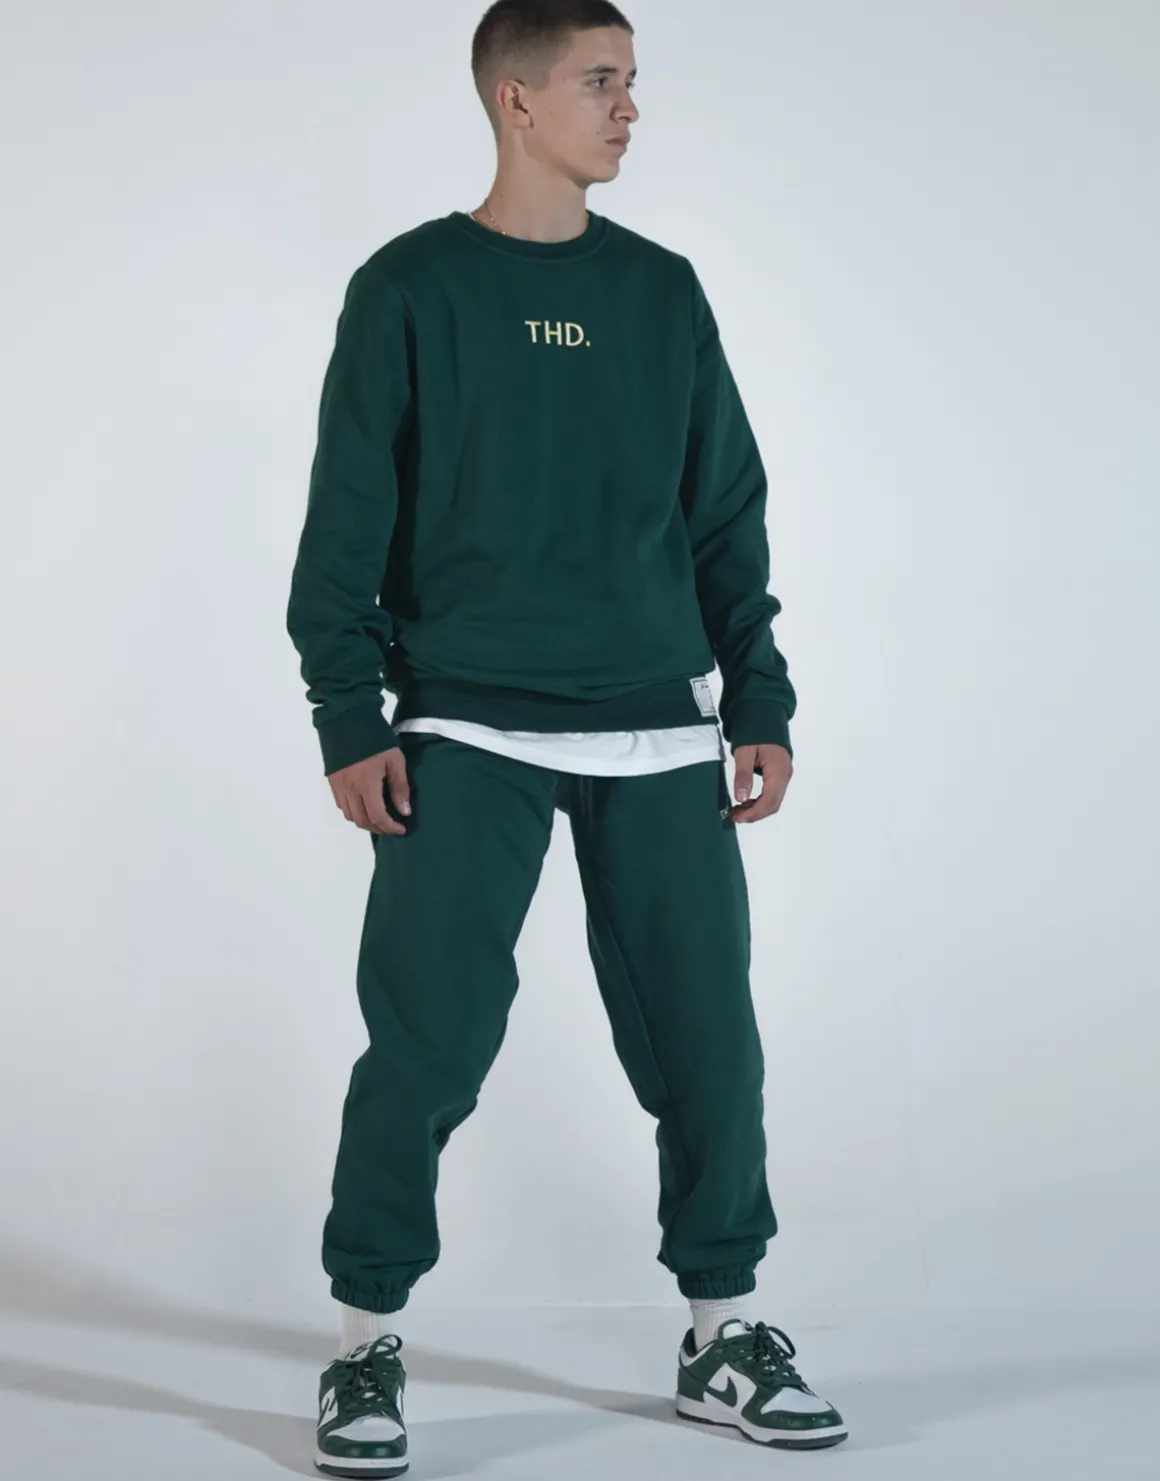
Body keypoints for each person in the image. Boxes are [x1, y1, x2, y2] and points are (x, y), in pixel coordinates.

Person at [286, 1, 848, 1473]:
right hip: (463, 722)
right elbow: (345, 522)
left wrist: (760, 696)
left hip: (657, 727)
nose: (630, 108)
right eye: (602, 81)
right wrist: (349, 714)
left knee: (711, 1049)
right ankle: (364, 1342)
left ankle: (721, 1333)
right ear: (516, 101)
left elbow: (725, 512)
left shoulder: (662, 293)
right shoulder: (411, 287)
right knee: (425, 1046)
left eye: (634, 82)